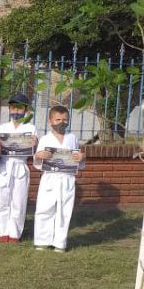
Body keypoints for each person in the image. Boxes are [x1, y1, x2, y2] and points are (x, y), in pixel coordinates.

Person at [34, 105, 85, 252]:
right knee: (45, 208)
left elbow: (77, 158)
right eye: (58, 119)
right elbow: (37, 159)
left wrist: (82, 157)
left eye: (65, 119)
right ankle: (42, 240)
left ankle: (59, 243)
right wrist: (39, 155)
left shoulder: (72, 138)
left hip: (67, 178)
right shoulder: (45, 139)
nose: (61, 122)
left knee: (64, 211)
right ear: (50, 121)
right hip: (50, 177)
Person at [0, 93, 37, 242]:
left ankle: (15, 233)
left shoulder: (31, 128)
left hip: (20, 165)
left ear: (26, 110)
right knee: (1, 199)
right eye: (13, 108)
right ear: (9, 108)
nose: (16, 111)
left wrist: (34, 143)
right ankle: (3, 231)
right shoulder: (2, 127)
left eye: (20, 108)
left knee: (18, 200)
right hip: (4, 165)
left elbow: (34, 150)